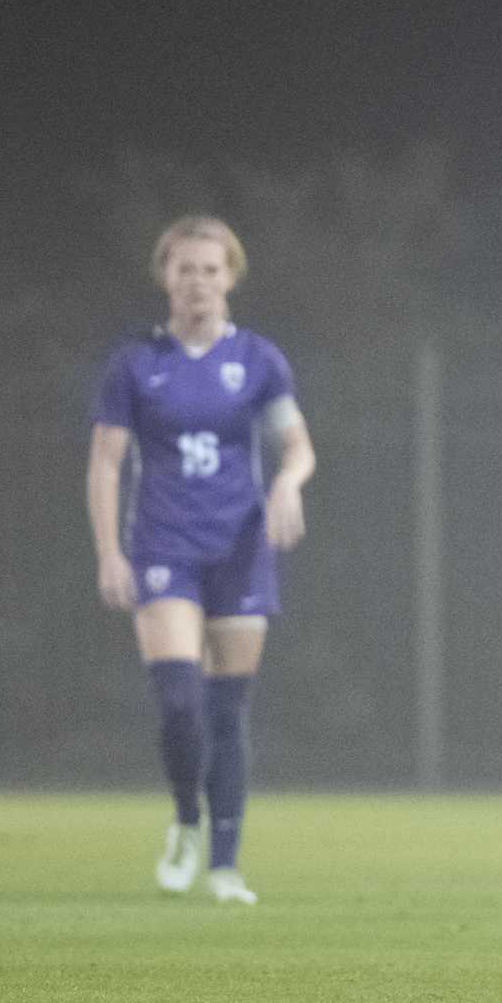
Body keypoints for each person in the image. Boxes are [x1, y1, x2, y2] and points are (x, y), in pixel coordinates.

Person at [87, 216, 315, 907]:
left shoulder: (259, 359)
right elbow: (105, 462)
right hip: (163, 546)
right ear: (166, 276)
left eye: (211, 269)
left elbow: (299, 446)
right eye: (185, 268)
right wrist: (109, 552)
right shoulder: (136, 364)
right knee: (180, 701)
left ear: (231, 277)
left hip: (239, 550)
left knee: (227, 710)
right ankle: (186, 822)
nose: (198, 281)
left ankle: (224, 864)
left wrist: (286, 481)